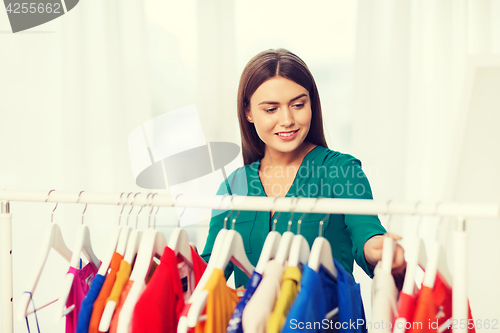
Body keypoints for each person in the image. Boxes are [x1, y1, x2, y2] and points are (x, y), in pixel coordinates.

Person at [201, 48, 406, 289]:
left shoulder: (342, 170)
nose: (287, 119)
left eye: (298, 105)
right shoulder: (234, 185)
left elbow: (367, 234)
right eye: (271, 109)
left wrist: (376, 250)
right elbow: (209, 271)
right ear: (248, 112)